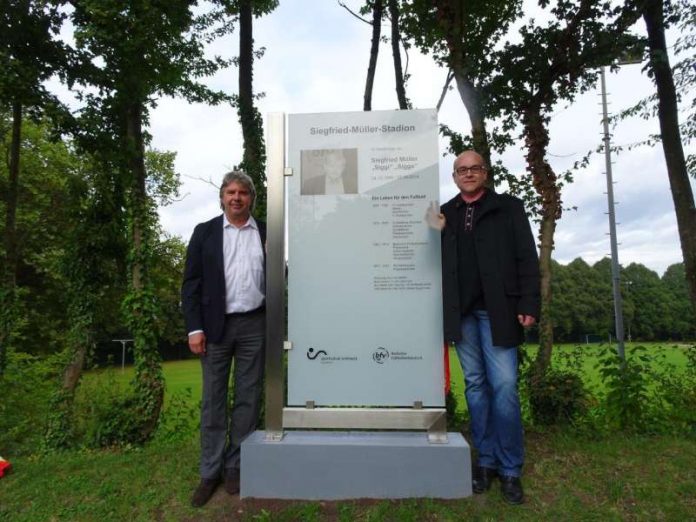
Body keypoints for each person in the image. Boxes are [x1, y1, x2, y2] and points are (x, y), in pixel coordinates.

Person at [429, 150, 540, 504]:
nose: (469, 173)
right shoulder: (446, 213)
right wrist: (439, 234)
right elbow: (437, 263)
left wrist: (529, 303)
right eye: (462, 169)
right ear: (455, 175)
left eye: (475, 168)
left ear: (485, 173)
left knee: (504, 385)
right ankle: (486, 462)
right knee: (475, 387)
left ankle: (510, 470)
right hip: (463, 314)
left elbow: (526, 255)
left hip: (500, 311)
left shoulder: (509, 207)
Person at [181, 171, 266, 508]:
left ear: (251, 198)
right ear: (221, 197)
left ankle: (236, 466)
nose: (236, 197)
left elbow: (278, 275)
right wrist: (194, 328)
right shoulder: (205, 233)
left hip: (255, 325)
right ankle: (209, 472)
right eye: (230, 192)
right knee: (213, 401)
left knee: (248, 399)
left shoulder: (265, 232)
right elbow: (191, 284)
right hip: (214, 328)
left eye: (243, 192)